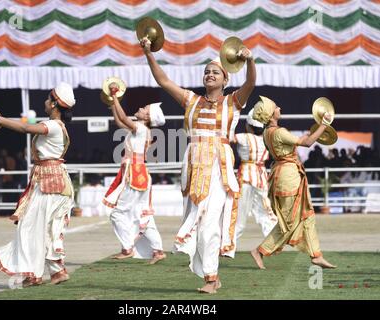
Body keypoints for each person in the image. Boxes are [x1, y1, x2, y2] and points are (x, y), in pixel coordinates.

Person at [140, 37, 256, 293]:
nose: (210, 75)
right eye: (206, 72)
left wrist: (250, 60)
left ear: (225, 80)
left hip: (219, 168)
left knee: (209, 221)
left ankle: (211, 279)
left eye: (215, 72)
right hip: (193, 167)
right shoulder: (191, 100)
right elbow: (163, 80)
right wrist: (148, 52)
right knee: (200, 223)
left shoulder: (233, 101)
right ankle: (211, 274)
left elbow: (250, 83)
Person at [0, 82, 76, 287]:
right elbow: (28, 126)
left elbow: (24, 128)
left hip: (50, 183)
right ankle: (57, 272)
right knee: (43, 228)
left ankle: (34, 273)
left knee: (29, 227)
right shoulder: (54, 125)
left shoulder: (54, 126)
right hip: (52, 181)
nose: (45, 102)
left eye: (49, 99)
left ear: (55, 104)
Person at [249, 96, 336, 269]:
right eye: (276, 107)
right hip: (288, 177)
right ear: (271, 114)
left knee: (307, 215)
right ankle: (260, 251)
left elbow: (295, 142)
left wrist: (307, 135)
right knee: (289, 222)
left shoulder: (268, 132)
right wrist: (324, 125)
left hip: (284, 175)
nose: (279, 107)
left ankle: (316, 255)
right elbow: (308, 143)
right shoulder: (279, 131)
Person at [102, 83, 167, 265]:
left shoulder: (140, 129)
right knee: (142, 214)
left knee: (116, 213)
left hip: (134, 174)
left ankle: (127, 248)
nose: (139, 108)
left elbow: (123, 117)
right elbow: (119, 121)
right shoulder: (140, 129)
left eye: (144, 108)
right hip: (139, 173)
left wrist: (115, 96)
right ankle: (158, 250)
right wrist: (112, 104)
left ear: (147, 117)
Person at [232, 108, 278, 247]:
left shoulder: (243, 137)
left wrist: (232, 119)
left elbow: (227, 137)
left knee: (239, 215)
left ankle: (228, 246)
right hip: (262, 176)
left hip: (246, 175)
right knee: (265, 211)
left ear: (248, 125)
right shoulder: (266, 138)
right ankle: (274, 243)